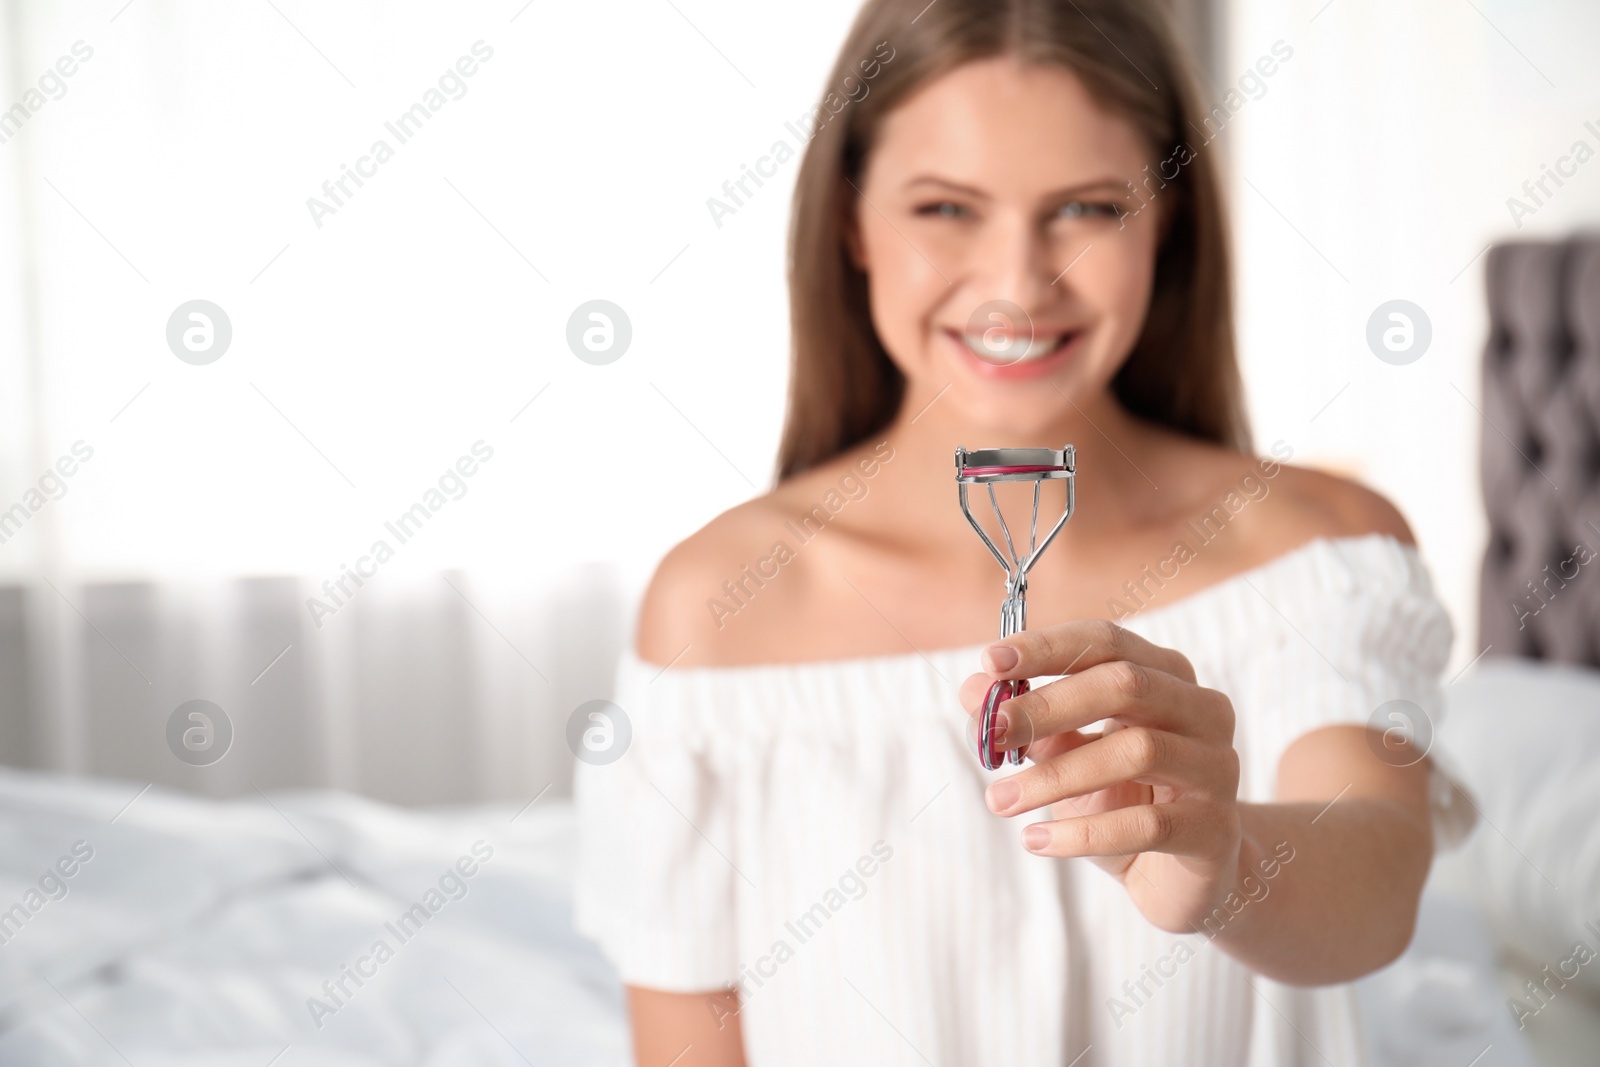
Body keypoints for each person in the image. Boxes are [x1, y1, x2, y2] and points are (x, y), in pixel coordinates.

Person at [576, 0, 1465, 1062]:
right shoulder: (718, 609)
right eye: (946, 208)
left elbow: (1373, 878)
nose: (1015, 284)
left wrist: (1222, 861)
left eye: (1088, 206)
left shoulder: (1319, 552)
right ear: (851, 220)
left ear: (1167, 219)